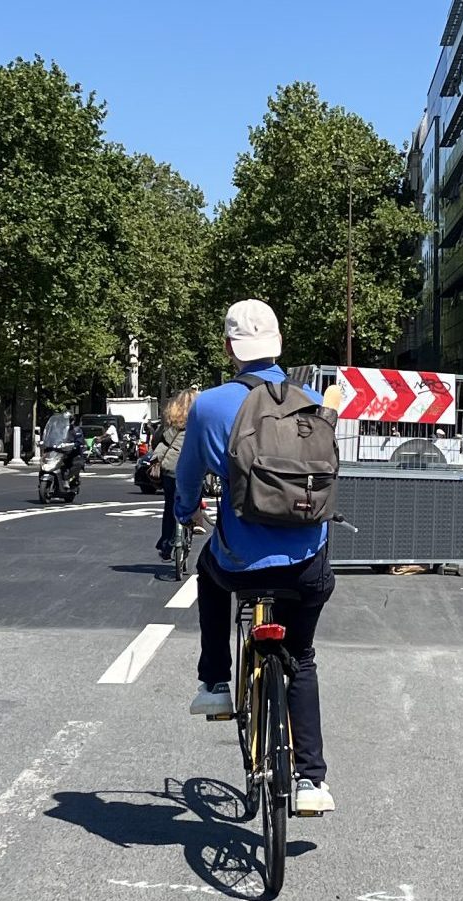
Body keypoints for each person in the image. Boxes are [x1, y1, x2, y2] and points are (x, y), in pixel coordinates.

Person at [175, 298, 335, 816]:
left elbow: (186, 476)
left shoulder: (209, 405)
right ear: (279, 346)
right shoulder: (312, 399)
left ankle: (218, 682)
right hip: (307, 561)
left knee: (208, 573)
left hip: (242, 560)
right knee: (302, 659)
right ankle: (312, 781)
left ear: (229, 349)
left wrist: (184, 514)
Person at [153, 388, 198, 561]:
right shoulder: (200, 419)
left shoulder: (171, 419)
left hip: (169, 466)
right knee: (195, 494)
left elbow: (157, 440)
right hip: (191, 466)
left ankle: (166, 543)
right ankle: (195, 520)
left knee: (169, 505)